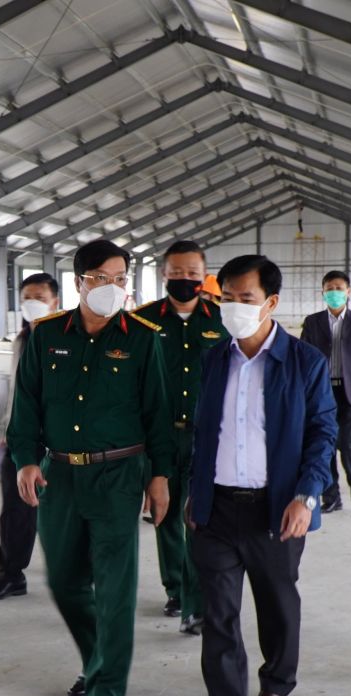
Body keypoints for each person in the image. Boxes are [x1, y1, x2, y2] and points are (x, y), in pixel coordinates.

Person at [7, 238, 174, 696]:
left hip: (118, 477)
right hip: (59, 476)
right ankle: (97, 658)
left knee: (116, 591)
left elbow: (158, 414)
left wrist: (160, 476)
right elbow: (27, 404)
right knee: (65, 582)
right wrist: (25, 460)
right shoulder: (46, 335)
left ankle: (105, 695)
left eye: (121, 279)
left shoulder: (143, 338)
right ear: (79, 281)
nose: (112, 287)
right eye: (101, 278)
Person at [185, 255, 337, 696]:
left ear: (270, 302)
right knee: (219, 618)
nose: (233, 307)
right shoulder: (213, 360)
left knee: (276, 603)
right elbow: (201, 433)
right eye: (225, 298)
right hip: (217, 509)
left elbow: (323, 434)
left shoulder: (305, 362)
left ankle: (277, 681)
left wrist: (306, 495)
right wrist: (194, 492)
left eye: (244, 298)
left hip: (276, 509)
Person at [134, 240, 229, 635]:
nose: (184, 279)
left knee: (197, 517)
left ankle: (195, 602)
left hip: (206, 437)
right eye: (177, 272)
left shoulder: (222, 320)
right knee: (165, 513)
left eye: (192, 273)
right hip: (158, 436)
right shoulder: (141, 321)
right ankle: (174, 588)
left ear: (204, 276)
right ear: (164, 274)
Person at [0, 273, 61, 601]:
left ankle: (78, 574)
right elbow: (16, 392)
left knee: (65, 511)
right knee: (15, 510)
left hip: (59, 441)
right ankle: (11, 576)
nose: (33, 303)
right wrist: (6, 432)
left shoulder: (68, 338)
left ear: (55, 302)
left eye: (40, 297)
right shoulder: (21, 339)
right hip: (22, 438)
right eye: (27, 298)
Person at [300, 270, 351, 512]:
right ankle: (332, 497)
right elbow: (303, 358)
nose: (334, 292)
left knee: (347, 441)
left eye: (339, 288)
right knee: (324, 443)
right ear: (323, 292)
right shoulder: (313, 322)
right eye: (329, 288)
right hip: (322, 392)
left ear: (348, 292)